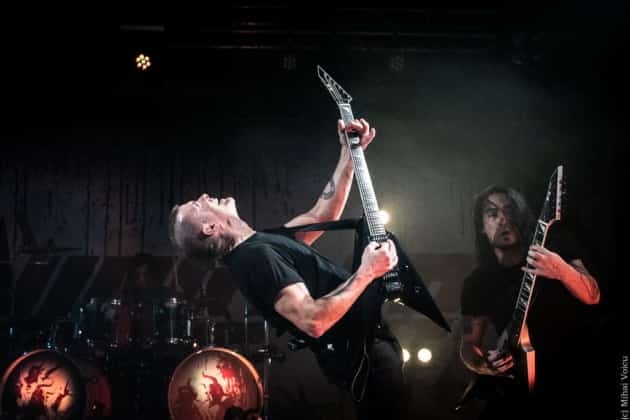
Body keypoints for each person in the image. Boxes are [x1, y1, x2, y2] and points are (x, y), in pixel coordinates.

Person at [169, 118, 406, 419]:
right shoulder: (255, 259)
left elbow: (322, 215)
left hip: (371, 346)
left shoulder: (260, 243)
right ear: (210, 227)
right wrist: (367, 272)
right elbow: (313, 321)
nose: (204, 197)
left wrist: (348, 153)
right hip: (365, 358)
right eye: (197, 205)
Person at [458, 185, 601, 419]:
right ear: (481, 226)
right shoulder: (477, 282)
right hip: (517, 389)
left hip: (575, 375)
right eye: (492, 213)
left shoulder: (552, 247)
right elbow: (468, 344)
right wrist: (485, 366)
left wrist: (561, 270)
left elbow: (593, 295)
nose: (503, 219)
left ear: (521, 215)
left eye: (509, 210)